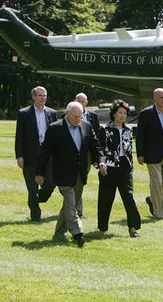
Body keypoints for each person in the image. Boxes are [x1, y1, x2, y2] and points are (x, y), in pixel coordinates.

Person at [35, 101, 107, 247]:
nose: (77, 119)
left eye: (80, 116)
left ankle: (59, 232)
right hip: (63, 174)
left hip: (80, 173)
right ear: (67, 114)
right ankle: (77, 234)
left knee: (70, 204)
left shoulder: (86, 126)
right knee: (71, 203)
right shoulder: (55, 128)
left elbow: (96, 146)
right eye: (75, 116)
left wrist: (101, 161)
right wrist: (39, 173)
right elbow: (45, 153)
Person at [97, 100, 141, 237]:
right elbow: (99, 149)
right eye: (120, 113)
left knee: (128, 197)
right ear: (114, 114)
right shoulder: (105, 129)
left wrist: (131, 167)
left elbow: (129, 151)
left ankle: (133, 228)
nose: (122, 116)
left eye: (125, 113)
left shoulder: (128, 130)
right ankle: (103, 227)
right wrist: (100, 164)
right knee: (106, 198)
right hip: (108, 168)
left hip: (125, 168)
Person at [15, 86, 57, 222]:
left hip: (47, 154)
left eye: (44, 95)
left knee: (50, 184)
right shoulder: (24, 113)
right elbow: (19, 136)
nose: (43, 98)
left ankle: (37, 200)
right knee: (32, 188)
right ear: (33, 97)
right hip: (30, 154)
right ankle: (35, 216)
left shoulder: (52, 113)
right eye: (40, 95)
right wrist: (19, 156)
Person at [136, 88, 163, 219]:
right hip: (151, 153)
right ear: (155, 98)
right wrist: (140, 154)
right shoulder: (146, 113)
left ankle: (152, 199)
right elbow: (140, 135)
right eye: (161, 97)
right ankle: (159, 213)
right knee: (156, 183)